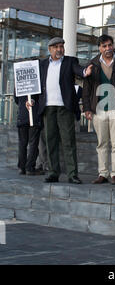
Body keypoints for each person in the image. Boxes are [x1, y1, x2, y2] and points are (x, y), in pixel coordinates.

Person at [32, 37, 92, 184]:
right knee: (50, 141)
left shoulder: (70, 61)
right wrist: (32, 100)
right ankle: (53, 172)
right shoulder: (43, 64)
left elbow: (79, 70)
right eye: (56, 47)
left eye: (61, 46)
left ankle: (72, 174)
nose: (60, 49)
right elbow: (37, 84)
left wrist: (85, 71)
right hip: (48, 107)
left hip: (64, 107)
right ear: (50, 49)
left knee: (68, 141)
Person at [82, 34, 115, 185]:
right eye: (104, 46)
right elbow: (87, 88)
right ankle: (103, 173)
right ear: (99, 48)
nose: (108, 48)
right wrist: (87, 108)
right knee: (102, 143)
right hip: (99, 109)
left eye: (110, 45)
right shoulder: (93, 63)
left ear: (113, 45)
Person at [15, 94, 42, 175]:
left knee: (22, 144)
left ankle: (21, 167)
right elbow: (40, 97)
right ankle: (29, 168)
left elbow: (16, 99)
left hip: (22, 115)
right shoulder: (37, 81)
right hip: (34, 115)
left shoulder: (19, 82)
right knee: (33, 144)